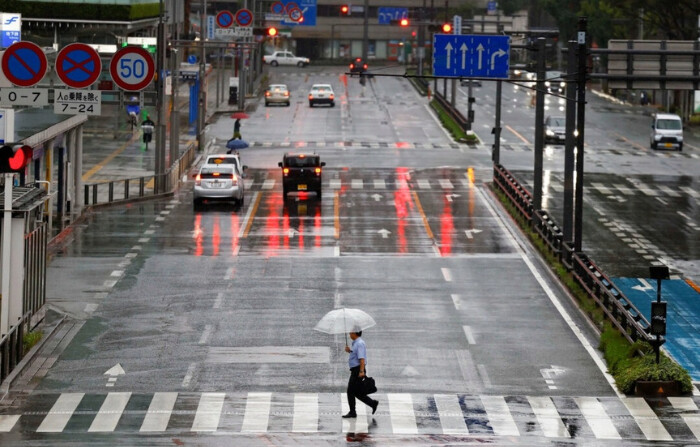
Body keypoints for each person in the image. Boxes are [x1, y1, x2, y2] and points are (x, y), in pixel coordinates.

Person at [342, 331, 378, 418]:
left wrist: (361, 371)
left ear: (355, 333)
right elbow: (356, 355)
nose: (349, 334)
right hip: (356, 370)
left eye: (351, 333)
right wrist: (350, 351)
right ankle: (372, 403)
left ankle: (353, 412)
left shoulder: (359, 343)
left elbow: (362, 359)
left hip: (357, 370)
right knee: (357, 392)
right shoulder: (356, 343)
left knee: (350, 391)